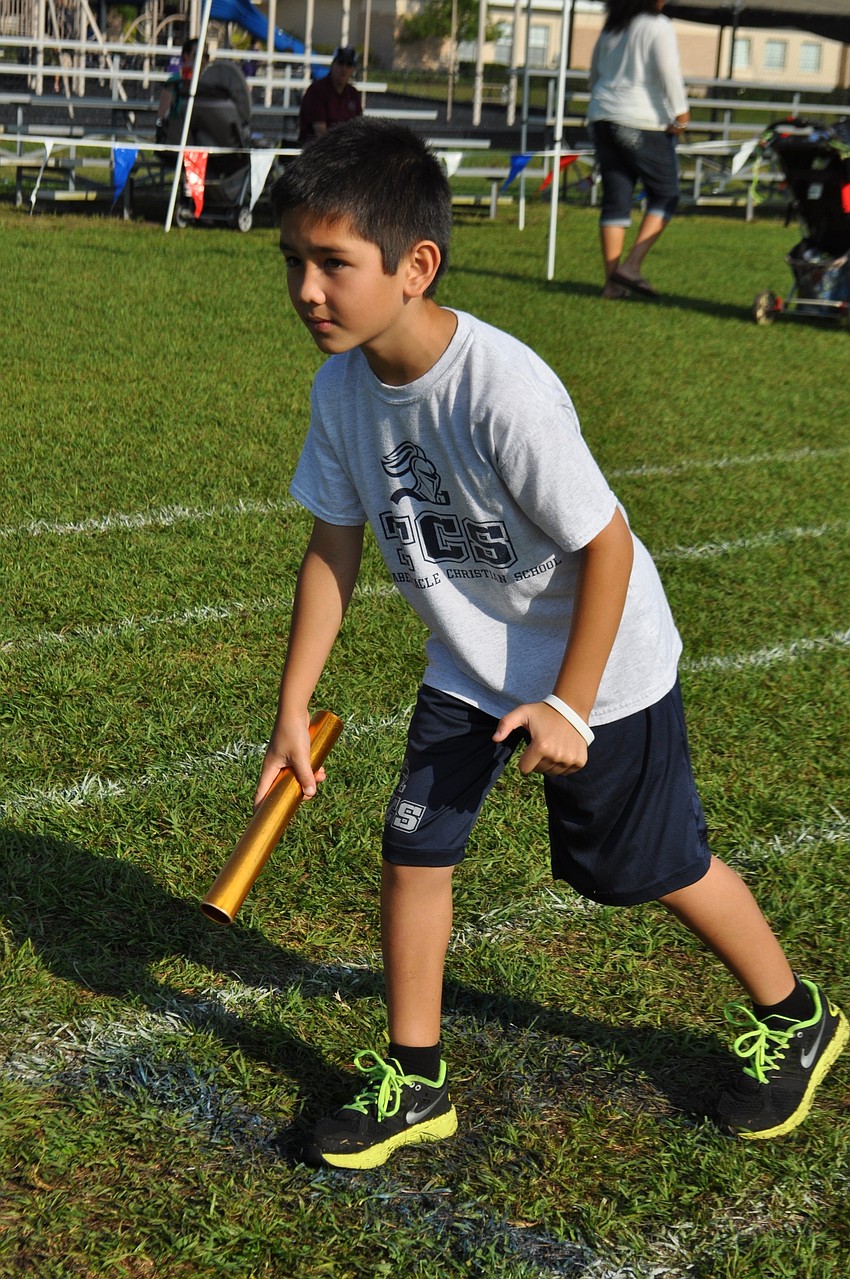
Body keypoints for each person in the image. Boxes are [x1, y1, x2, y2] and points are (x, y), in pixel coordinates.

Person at [258, 118, 847, 1170]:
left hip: (600, 660)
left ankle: (799, 1014)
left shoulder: (502, 388)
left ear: (415, 265)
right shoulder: (340, 391)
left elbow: (607, 546)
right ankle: (417, 1077)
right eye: (294, 262)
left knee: (645, 866)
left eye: (332, 263)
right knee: (413, 849)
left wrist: (570, 704)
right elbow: (331, 546)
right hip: (470, 669)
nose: (306, 288)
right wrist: (293, 703)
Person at [587, 0, 690, 300]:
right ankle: (631, 266)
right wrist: (681, 115)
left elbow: (593, 74)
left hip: (602, 117)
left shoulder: (612, 27)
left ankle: (612, 284)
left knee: (616, 199)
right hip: (641, 119)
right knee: (666, 194)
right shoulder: (658, 26)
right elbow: (668, 71)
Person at [297, 46, 362, 145]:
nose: (344, 69)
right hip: (316, 151)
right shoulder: (316, 91)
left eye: (349, 65)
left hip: (345, 150)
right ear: (332, 65)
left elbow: (358, 127)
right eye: (340, 63)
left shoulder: (353, 94)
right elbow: (320, 132)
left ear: (353, 69)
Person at [156, 38, 207, 144]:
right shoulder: (174, 81)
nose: (202, 60)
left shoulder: (211, 81)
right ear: (186, 56)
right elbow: (161, 114)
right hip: (179, 134)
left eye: (206, 56)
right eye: (197, 55)